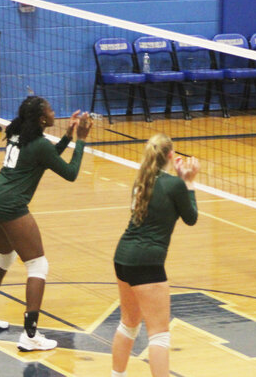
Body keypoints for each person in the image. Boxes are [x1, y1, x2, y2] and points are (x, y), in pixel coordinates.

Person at [0, 97, 92, 351]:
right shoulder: (37, 144)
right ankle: (30, 335)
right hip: (10, 205)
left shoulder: (19, 135)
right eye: (49, 109)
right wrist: (81, 139)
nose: (53, 111)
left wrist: (68, 136)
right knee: (38, 264)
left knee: (4, 256)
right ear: (41, 119)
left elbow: (46, 158)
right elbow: (70, 173)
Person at [111, 134, 199, 377]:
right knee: (159, 334)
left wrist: (180, 181)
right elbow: (191, 218)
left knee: (128, 323)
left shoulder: (141, 180)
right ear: (171, 156)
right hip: (147, 263)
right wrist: (189, 181)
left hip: (123, 257)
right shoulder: (174, 185)